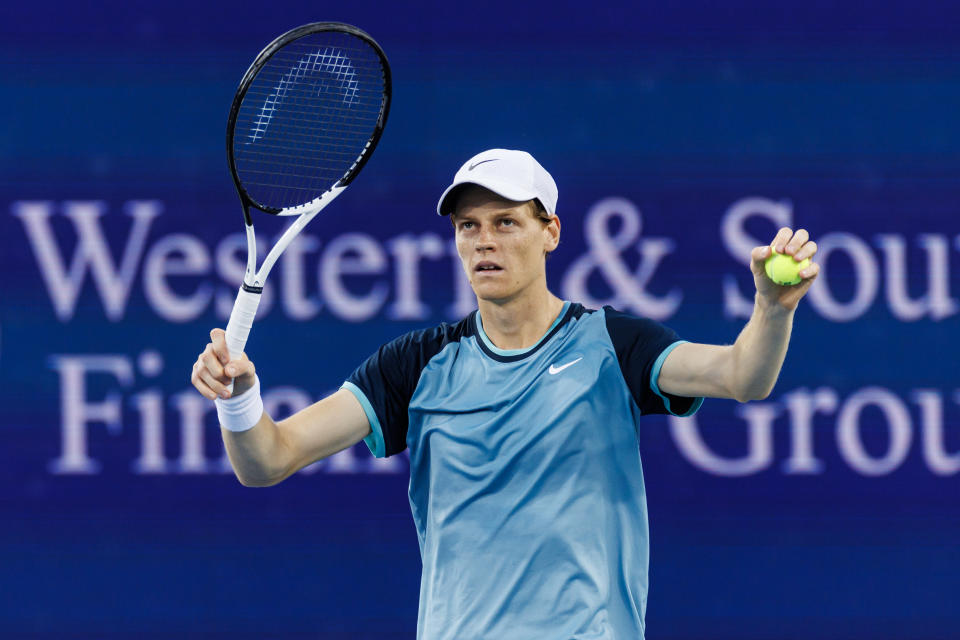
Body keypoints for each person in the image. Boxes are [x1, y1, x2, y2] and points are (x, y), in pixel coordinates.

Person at [190, 149, 819, 639]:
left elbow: (742, 376)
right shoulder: (416, 366)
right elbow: (267, 461)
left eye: (506, 222)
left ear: (550, 232)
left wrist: (771, 308)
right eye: (469, 226)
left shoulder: (613, 344)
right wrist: (238, 397)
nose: (483, 240)